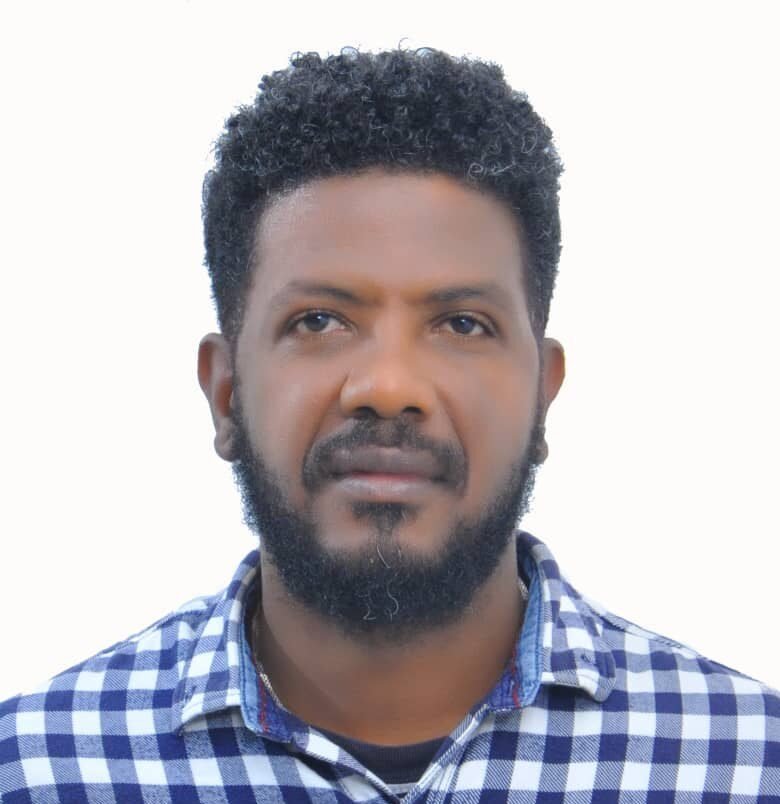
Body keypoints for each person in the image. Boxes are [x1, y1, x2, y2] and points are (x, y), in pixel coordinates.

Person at [1, 47, 777, 803]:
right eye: (318, 320)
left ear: (543, 393)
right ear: (226, 390)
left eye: (463, 323)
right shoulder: (35, 772)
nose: (388, 387)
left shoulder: (748, 765)